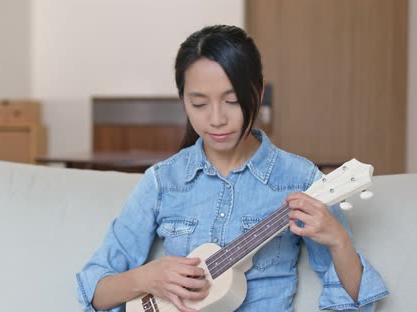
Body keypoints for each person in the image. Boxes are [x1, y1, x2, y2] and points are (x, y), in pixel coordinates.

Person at [76, 25, 388, 312]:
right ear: (182, 100)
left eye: (233, 100)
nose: (216, 119)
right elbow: (95, 290)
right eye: (199, 103)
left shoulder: (301, 179)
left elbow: (356, 305)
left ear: (259, 91)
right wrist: (145, 277)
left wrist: (338, 240)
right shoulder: (162, 181)